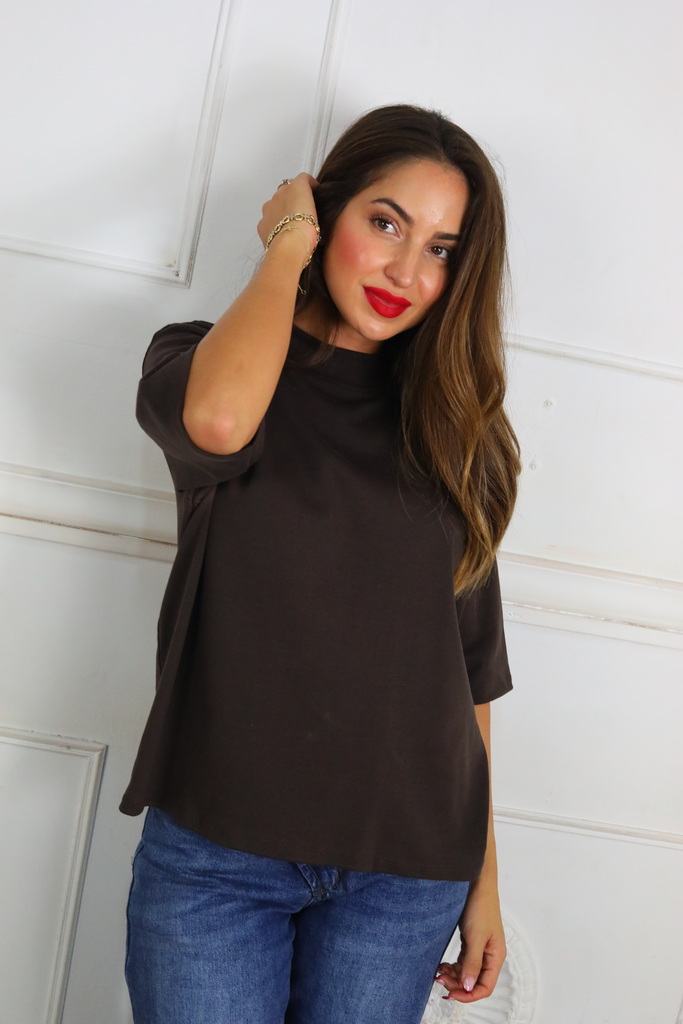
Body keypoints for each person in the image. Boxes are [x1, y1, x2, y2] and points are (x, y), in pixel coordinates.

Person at [121, 103, 521, 1024]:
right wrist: (286, 247)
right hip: (217, 858)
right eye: (384, 223)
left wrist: (484, 877)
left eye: (441, 249)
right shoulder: (198, 360)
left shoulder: (454, 429)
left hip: (404, 877)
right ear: (325, 210)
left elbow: (467, 675)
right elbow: (220, 422)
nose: (406, 272)